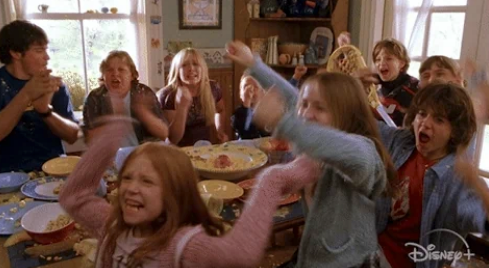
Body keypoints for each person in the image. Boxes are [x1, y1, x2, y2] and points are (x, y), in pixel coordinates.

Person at [59, 114, 321, 267]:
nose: (131, 188)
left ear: (174, 195)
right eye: (127, 178)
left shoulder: (182, 245)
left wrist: (273, 180)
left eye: (147, 182)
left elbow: (241, 253)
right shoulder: (112, 225)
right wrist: (108, 140)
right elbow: (74, 196)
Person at [225, 40, 397, 267]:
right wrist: (253, 64)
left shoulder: (364, 151)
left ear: (345, 113)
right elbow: (292, 98)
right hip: (312, 257)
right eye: (304, 105)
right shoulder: (318, 136)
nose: (305, 113)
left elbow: (328, 143)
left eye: (319, 107)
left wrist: (281, 121)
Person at [375, 81, 489, 268]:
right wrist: (354, 84)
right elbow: (358, 122)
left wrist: (477, 185)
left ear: (454, 132)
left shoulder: (457, 179)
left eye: (439, 119)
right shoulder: (402, 142)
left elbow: (482, 218)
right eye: (422, 113)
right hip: (373, 251)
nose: (425, 123)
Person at [0, 20, 79, 173]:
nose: (47, 57)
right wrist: (26, 94)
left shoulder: (53, 85)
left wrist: (45, 111)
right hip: (6, 179)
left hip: (53, 173)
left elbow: (72, 136)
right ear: (16, 53)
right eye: (39, 50)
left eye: (46, 50)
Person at [83, 50, 168, 146]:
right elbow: (89, 140)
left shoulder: (143, 92)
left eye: (121, 69)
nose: (115, 73)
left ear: (131, 75)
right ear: (103, 76)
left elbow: (163, 134)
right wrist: (116, 120)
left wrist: (143, 112)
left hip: (144, 153)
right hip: (110, 156)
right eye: (109, 70)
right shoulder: (95, 98)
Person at [157, 48, 228, 146]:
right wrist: (182, 108)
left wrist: (220, 130)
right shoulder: (168, 95)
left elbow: (220, 110)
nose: (191, 69)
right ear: (177, 71)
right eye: (184, 65)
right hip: (178, 150)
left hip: (206, 147)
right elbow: (173, 139)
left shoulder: (213, 88)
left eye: (195, 64)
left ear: (202, 68)